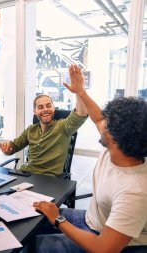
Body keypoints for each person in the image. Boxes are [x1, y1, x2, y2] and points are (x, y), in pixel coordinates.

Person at [33, 65, 147, 252]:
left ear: (116, 138)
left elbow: (103, 249)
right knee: (34, 217)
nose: (102, 122)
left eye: (107, 123)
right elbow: (96, 117)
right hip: (90, 219)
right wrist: (80, 92)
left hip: (105, 240)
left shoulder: (135, 191)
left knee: (39, 247)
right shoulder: (120, 150)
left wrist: (58, 219)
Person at [0, 83, 88, 177]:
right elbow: (14, 147)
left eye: (48, 106)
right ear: (35, 112)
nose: (45, 109)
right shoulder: (31, 130)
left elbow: (80, 113)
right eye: (40, 107)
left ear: (53, 108)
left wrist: (79, 92)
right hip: (26, 175)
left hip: (47, 181)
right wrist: (7, 149)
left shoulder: (63, 127)